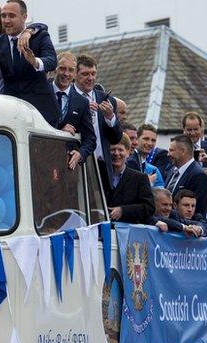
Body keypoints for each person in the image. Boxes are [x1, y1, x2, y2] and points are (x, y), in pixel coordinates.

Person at [0, 0, 59, 126]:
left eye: (11, 16)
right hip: (13, 113)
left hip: (42, 111)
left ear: (24, 17)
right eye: (3, 16)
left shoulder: (39, 36)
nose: (6, 20)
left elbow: (52, 61)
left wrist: (35, 62)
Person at [72, 53, 122, 183]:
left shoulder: (107, 99)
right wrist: (82, 111)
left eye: (93, 74)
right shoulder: (67, 96)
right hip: (75, 164)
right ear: (75, 74)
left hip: (102, 166)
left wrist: (110, 117)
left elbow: (116, 138)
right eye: (85, 74)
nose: (90, 78)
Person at [51, 52, 96, 170]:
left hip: (67, 166)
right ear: (55, 69)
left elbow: (90, 140)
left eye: (71, 70)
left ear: (75, 73)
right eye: (62, 68)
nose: (66, 74)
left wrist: (80, 154)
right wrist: (59, 129)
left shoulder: (81, 102)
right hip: (42, 158)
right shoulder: (42, 92)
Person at [103, 133, 155, 224]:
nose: (116, 153)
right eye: (113, 149)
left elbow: (149, 207)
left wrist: (123, 211)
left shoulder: (140, 178)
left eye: (120, 150)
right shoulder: (98, 175)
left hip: (127, 232)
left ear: (128, 152)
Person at [165, 135, 207, 216]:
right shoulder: (172, 170)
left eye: (171, 150)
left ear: (183, 151)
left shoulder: (198, 175)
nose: (168, 154)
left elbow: (197, 210)